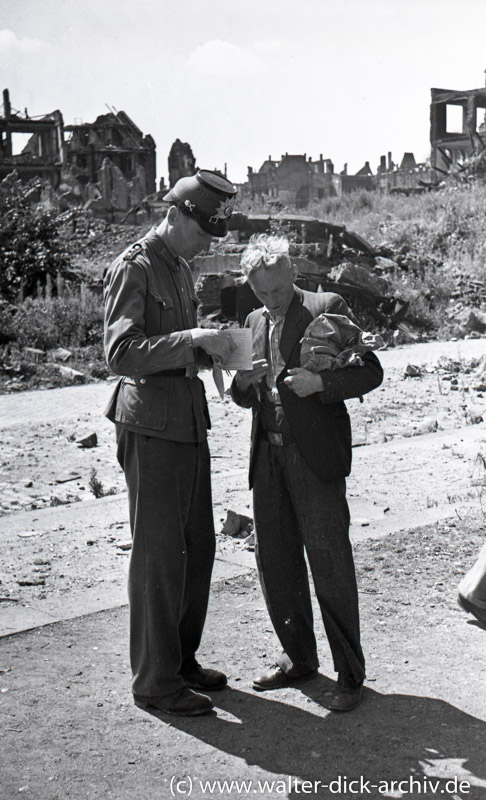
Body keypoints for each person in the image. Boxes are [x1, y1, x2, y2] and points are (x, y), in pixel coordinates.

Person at [103, 169, 237, 717]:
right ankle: (155, 682)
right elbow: (121, 353)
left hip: (185, 421)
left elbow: (171, 346)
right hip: (151, 426)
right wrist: (190, 340)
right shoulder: (134, 265)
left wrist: (209, 350)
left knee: (196, 548)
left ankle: (180, 661)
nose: (208, 244)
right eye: (203, 231)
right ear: (177, 214)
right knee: (159, 556)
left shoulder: (179, 266)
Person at [230, 234, 384, 712]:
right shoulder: (253, 320)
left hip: (313, 457)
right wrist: (243, 382)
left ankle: (349, 676)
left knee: (329, 564)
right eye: (262, 293)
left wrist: (321, 382)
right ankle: (298, 659)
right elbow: (240, 395)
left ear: (294, 274)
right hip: (268, 458)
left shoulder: (327, 305)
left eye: (278, 290)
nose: (272, 301)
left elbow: (370, 372)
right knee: (276, 564)